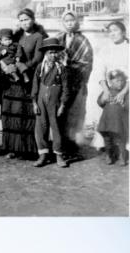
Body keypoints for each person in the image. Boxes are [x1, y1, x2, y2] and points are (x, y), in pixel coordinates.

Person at [0, 8, 47, 160]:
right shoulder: (16, 36)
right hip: (12, 80)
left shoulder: (38, 36)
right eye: (21, 20)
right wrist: (7, 66)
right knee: (11, 111)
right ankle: (12, 147)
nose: (24, 23)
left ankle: (27, 148)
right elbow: (7, 50)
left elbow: (38, 58)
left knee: (25, 113)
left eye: (27, 19)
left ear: (33, 19)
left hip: (28, 77)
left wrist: (23, 68)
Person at [54, 11, 93, 155]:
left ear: (76, 22)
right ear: (63, 22)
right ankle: (60, 143)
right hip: (60, 82)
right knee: (61, 110)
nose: (69, 23)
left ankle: (72, 144)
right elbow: (52, 56)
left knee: (75, 112)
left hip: (77, 82)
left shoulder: (82, 40)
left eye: (72, 20)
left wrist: (69, 65)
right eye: (66, 21)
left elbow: (87, 62)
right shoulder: (58, 38)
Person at [32, 38, 70, 168]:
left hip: (55, 100)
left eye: (55, 52)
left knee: (56, 127)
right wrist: (34, 103)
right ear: (45, 53)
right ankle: (42, 154)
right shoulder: (40, 67)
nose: (52, 55)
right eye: (50, 53)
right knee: (41, 126)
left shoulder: (61, 68)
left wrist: (62, 105)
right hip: (41, 99)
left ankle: (59, 155)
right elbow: (35, 85)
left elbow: (66, 88)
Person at [96, 70, 128, 165]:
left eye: (122, 81)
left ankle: (122, 156)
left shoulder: (125, 93)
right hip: (106, 120)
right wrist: (103, 99)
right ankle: (109, 154)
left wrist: (124, 104)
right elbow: (100, 103)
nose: (120, 83)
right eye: (117, 81)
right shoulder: (107, 91)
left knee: (121, 139)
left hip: (119, 121)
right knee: (107, 139)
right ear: (110, 82)